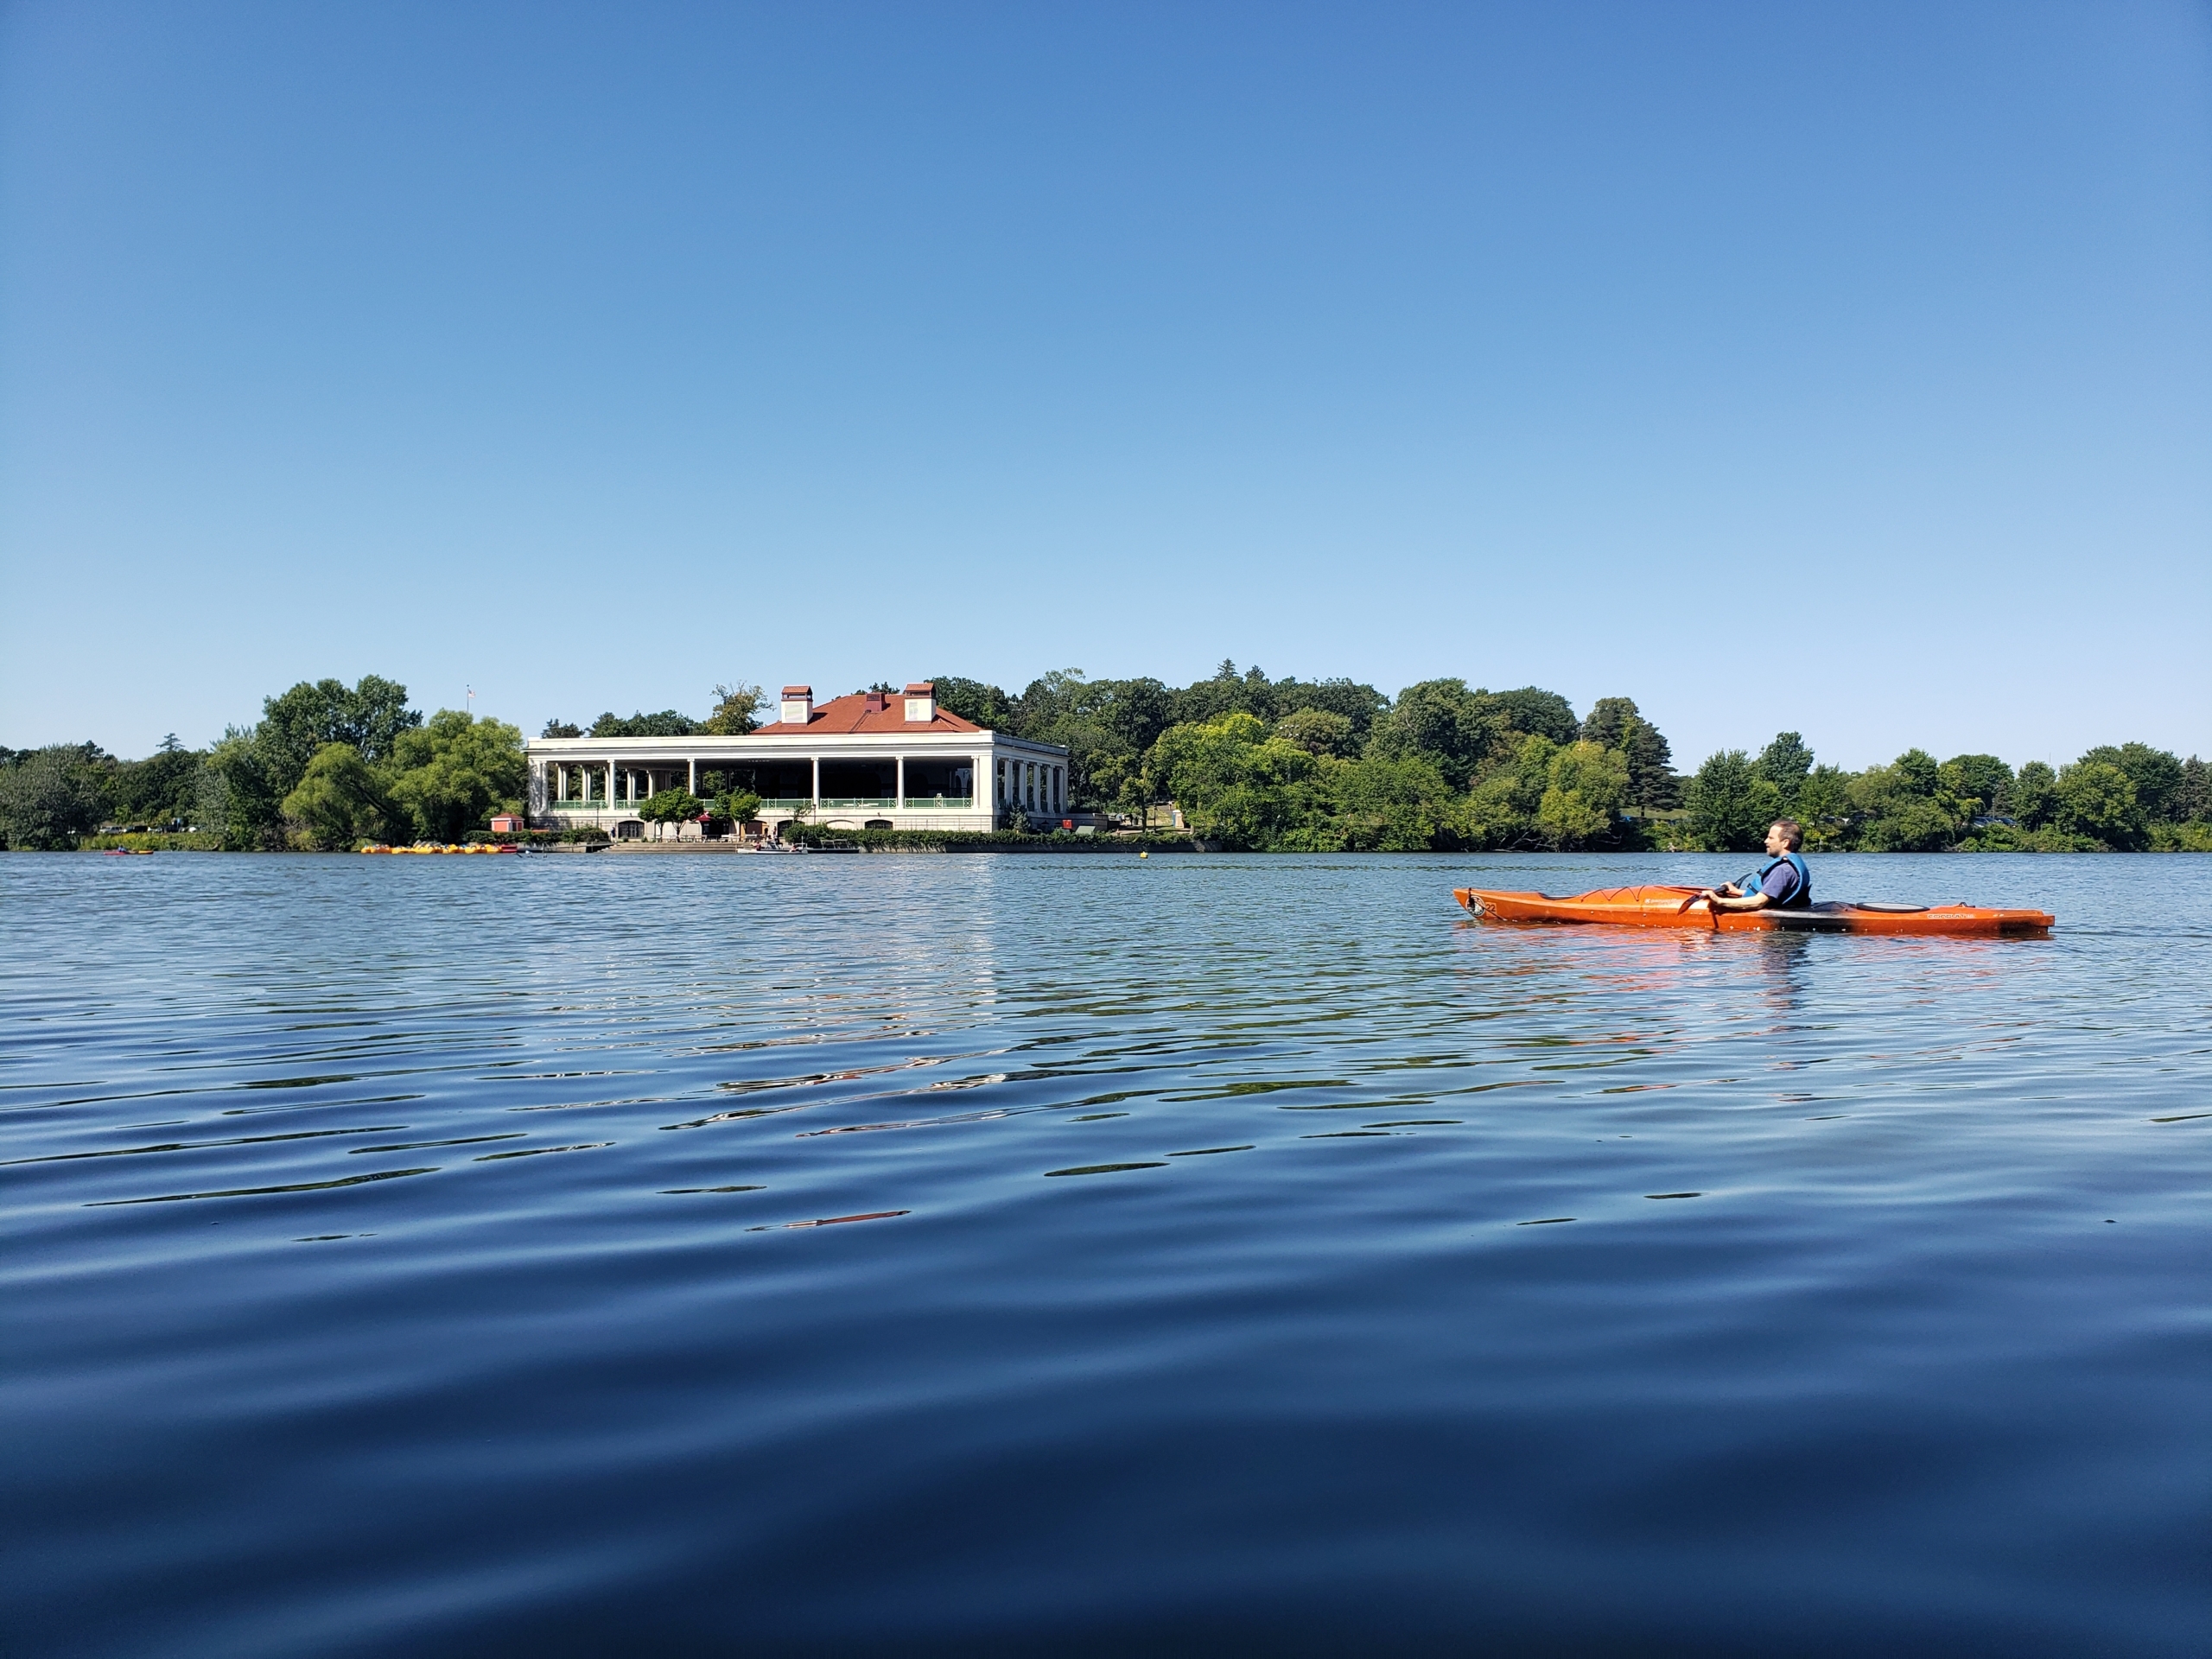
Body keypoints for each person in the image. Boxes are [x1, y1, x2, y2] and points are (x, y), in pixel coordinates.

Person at [1700, 819, 1812, 911]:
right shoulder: (1787, 867)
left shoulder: (1783, 870)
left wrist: (1719, 901)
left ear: (1785, 843)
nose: (1765, 841)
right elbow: (1772, 894)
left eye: (1771, 838)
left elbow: (1758, 902)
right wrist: (1737, 892)